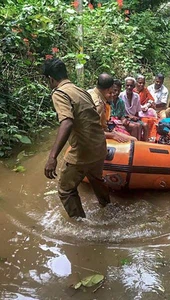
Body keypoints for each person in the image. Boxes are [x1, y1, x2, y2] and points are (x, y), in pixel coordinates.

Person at [42, 58, 109, 219]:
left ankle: (81, 225)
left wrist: (52, 157)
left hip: (83, 151)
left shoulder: (60, 93)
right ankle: (107, 207)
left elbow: (66, 122)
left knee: (65, 189)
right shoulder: (81, 90)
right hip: (100, 147)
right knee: (96, 178)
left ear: (51, 79)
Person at [87, 73, 131, 142]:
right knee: (133, 140)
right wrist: (112, 135)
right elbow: (92, 131)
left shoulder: (89, 92)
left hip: (105, 130)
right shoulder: (99, 105)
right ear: (109, 89)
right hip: (98, 136)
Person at [119, 77, 149, 141]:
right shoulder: (121, 96)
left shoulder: (136, 96)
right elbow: (119, 112)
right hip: (124, 117)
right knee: (137, 126)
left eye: (131, 86)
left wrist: (136, 118)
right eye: (127, 85)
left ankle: (145, 143)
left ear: (134, 87)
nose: (129, 87)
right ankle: (136, 144)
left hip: (133, 118)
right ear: (125, 86)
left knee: (145, 125)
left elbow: (137, 111)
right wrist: (129, 117)